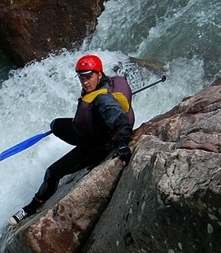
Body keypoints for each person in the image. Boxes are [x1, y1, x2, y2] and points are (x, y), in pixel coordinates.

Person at [9, 54, 134, 226]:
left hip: (97, 147)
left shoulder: (103, 99)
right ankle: (60, 130)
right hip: (94, 132)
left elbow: (121, 121)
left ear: (99, 74)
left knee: (52, 173)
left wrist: (122, 145)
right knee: (56, 125)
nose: (85, 82)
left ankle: (30, 208)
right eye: (82, 78)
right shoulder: (104, 84)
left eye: (89, 77)